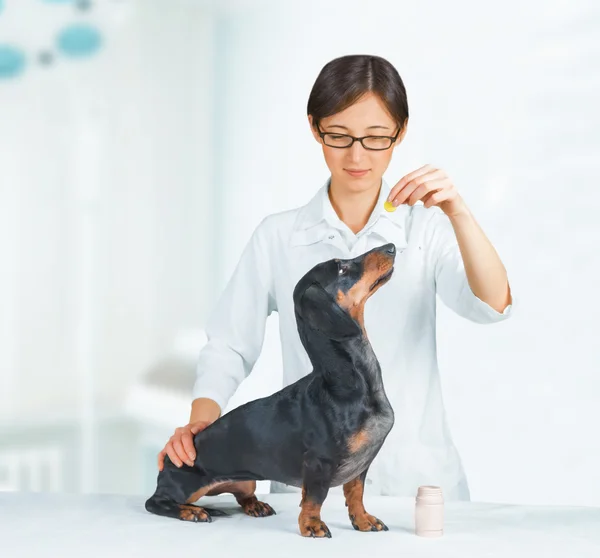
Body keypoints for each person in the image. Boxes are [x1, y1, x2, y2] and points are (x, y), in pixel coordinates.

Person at [157, 54, 514, 501]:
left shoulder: (426, 229)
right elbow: (229, 343)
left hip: (417, 483)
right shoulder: (278, 236)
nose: (357, 155)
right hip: (309, 481)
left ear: (400, 132)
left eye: (376, 137)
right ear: (314, 128)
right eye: (339, 135)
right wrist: (201, 422)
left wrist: (458, 211)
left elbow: (493, 305)